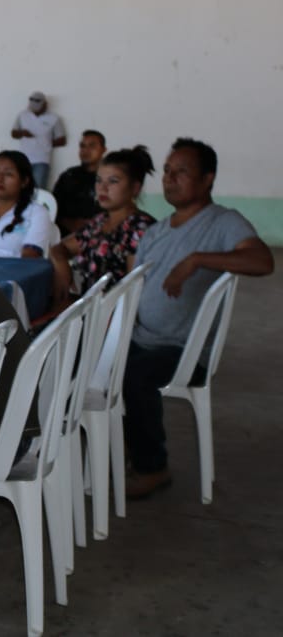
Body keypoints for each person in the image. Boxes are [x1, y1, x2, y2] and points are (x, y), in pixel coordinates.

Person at [123, 138, 274, 499]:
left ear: (207, 180)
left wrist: (197, 260)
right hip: (141, 336)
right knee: (78, 359)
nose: (171, 179)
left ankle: (152, 467)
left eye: (182, 172)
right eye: (168, 171)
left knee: (134, 376)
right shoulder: (156, 232)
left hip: (183, 350)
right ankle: (93, 450)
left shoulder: (223, 222)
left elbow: (262, 261)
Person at [50, 146, 155, 307]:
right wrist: (62, 265)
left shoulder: (140, 229)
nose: (102, 188)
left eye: (113, 181)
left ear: (135, 188)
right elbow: (60, 248)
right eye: (99, 180)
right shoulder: (99, 222)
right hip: (91, 313)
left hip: (117, 321)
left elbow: (133, 292)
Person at [0, 150, 54, 259]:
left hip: (17, 274)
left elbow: (30, 258)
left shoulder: (37, 213)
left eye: (8, 174)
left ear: (24, 181)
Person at [52, 130, 106, 235]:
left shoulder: (108, 178)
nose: (86, 150)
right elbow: (54, 207)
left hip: (100, 236)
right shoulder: (68, 176)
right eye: (82, 146)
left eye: (92, 146)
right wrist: (70, 223)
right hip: (66, 236)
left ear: (103, 150)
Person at [11, 90, 66, 188]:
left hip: (42, 159)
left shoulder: (54, 118)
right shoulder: (23, 115)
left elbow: (62, 140)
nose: (35, 110)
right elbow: (13, 133)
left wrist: (46, 142)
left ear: (45, 104)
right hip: (24, 159)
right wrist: (22, 133)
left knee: (39, 189)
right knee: (21, 188)